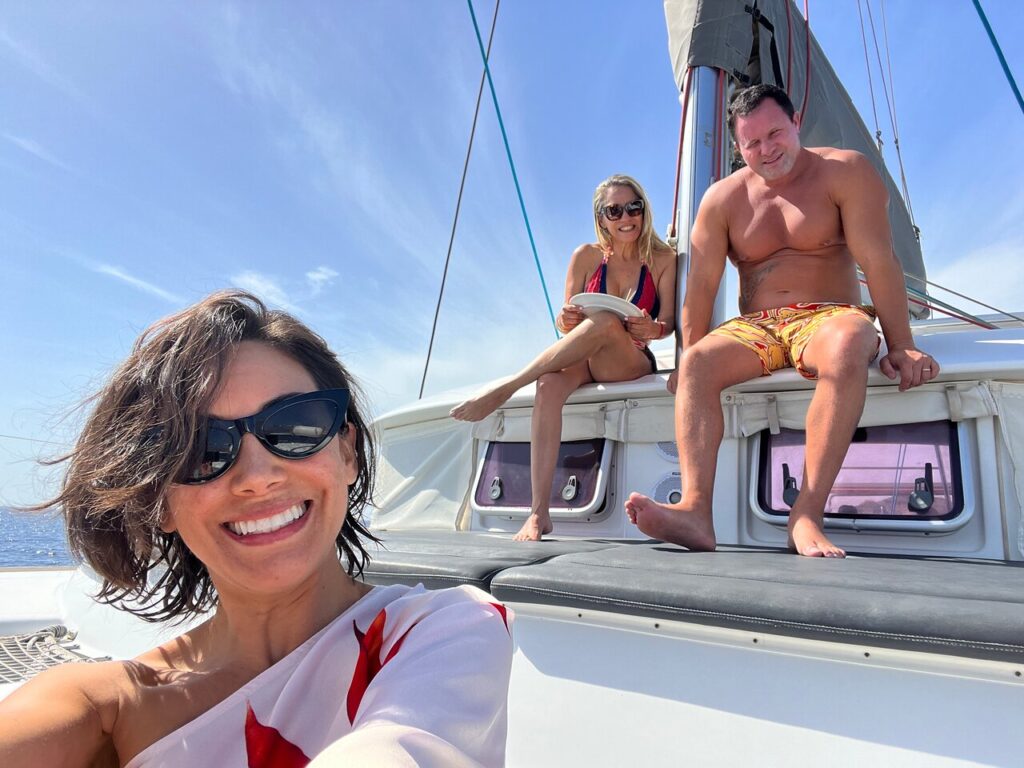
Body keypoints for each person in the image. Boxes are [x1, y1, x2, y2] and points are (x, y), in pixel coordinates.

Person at [0, 291, 513, 767]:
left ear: (347, 451)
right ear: (160, 504)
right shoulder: (108, 704)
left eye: (296, 426)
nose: (258, 477)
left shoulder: (444, 631)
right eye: (202, 450)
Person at [626, 84, 939, 558]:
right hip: (758, 326)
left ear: (797, 122)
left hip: (828, 314)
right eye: (751, 143)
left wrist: (902, 344)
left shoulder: (845, 172)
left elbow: (879, 261)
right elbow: (701, 289)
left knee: (851, 340)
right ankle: (694, 511)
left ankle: (807, 513)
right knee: (697, 364)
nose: (766, 150)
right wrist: (686, 353)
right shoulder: (722, 199)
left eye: (774, 133)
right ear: (737, 147)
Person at [451, 174, 676, 541]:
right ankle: (539, 513)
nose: (626, 217)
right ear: (601, 217)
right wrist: (564, 318)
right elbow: (566, 319)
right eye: (614, 210)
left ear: (643, 209)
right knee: (549, 384)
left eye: (633, 207)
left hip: (629, 358)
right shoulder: (585, 257)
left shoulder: (663, 259)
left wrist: (655, 329)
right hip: (586, 357)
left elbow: (669, 322)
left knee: (604, 322)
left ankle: (505, 388)